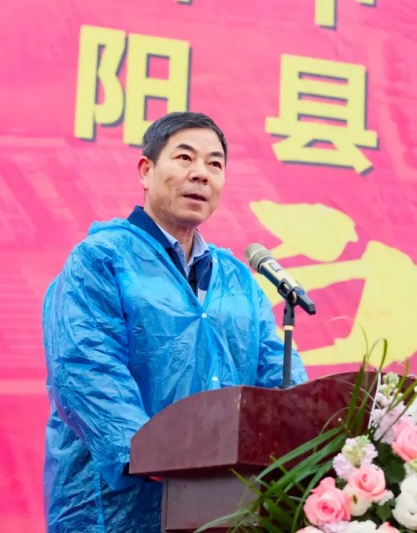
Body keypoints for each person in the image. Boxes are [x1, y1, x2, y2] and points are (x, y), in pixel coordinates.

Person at [42, 111, 308, 532]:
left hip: (224, 506)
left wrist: (304, 444)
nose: (200, 174)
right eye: (185, 158)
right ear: (145, 171)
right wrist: (155, 458)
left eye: (214, 164)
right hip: (119, 509)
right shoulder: (101, 259)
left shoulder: (237, 278)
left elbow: (276, 372)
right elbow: (86, 369)